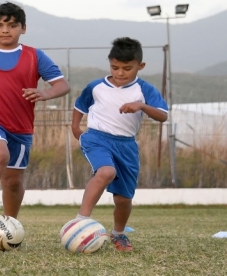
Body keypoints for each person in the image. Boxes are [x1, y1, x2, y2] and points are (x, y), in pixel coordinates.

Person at [0, 2, 70, 234]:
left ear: (23, 28)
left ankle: (8, 226)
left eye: (12, 25)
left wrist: (46, 93)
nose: (5, 30)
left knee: (13, 182)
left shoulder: (34, 56)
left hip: (20, 127)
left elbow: (62, 84)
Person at [71, 37, 168, 252]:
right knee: (105, 172)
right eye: (115, 67)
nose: (120, 73)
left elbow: (162, 116)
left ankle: (118, 234)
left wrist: (141, 105)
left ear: (140, 66)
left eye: (127, 68)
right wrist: (76, 128)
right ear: (109, 64)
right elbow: (80, 105)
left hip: (126, 145)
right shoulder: (96, 87)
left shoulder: (144, 90)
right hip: (97, 138)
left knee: (123, 199)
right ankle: (81, 221)